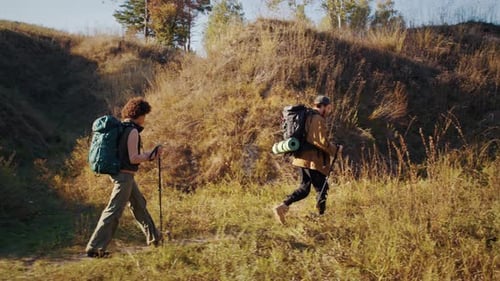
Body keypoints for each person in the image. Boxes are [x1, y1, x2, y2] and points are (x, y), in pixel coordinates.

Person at [86, 97, 163, 258]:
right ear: (139, 114)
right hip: (124, 177)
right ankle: (95, 247)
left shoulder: (122, 128)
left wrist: (148, 155)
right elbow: (133, 158)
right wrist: (150, 156)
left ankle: (155, 239)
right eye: (144, 115)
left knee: (139, 205)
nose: (145, 119)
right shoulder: (132, 131)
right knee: (114, 210)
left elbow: (127, 155)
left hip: (121, 175)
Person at [274, 95, 343, 224]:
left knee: (305, 188)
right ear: (321, 106)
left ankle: (283, 207)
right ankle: (321, 218)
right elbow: (321, 141)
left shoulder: (307, 116)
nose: (328, 111)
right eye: (327, 108)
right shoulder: (317, 119)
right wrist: (335, 149)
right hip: (312, 160)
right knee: (322, 188)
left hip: (301, 157)